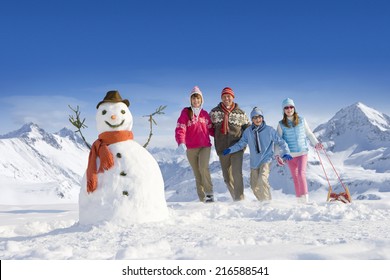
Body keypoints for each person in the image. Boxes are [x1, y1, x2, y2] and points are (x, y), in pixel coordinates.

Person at [222, 107, 292, 201]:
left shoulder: (269, 130)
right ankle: (262, 202)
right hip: (254, 162)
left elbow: (281, 142)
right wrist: (230, 150)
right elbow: (241, 144)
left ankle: (268, 203)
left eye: (259, 117)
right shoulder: (248, 132)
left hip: (266, 159)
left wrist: (287, 152)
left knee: (263, 179)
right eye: (255, 118)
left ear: (262, 118)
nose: (257, 119)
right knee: (254, 186)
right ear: (252, 119)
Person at [277, 98, 323, 203]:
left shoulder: (302, 120)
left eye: (291, 107)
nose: (289, 109)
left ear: (294, 108)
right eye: (286, 107)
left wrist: (316, 143)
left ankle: (305, 199)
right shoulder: (281, 124)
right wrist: (277, 155)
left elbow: (309, 133)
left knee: (301, 174)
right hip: (290, 155)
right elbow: (278, 141)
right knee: (295, 177)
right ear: (283, 110)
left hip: (302, 152)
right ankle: (299, 201)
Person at [209, 87, 250, 201]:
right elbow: (209, 128)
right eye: (224, 96)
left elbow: (248, 130)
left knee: (237, 174)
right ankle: (235, 198)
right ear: (221, 98)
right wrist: (218, 137)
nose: (226, 98)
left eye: (229, 96)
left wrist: (243, 144)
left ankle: (240, 200)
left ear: (233, 97)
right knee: (227, 178)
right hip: (222, 149)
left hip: (237, 148)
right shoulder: (214, 112)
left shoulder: (241, 114)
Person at [175, 86, 215, 203]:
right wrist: (181, 141)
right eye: (194, 98)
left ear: (201, 100)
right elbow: (180, 128)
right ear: (190, 100)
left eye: (198, 98)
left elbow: (211, 130)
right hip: (191, 148)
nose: (196, 101)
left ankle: (209, 195)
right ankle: (202, 199)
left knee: (203, 168)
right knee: (197, 174)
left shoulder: (205, 114)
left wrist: (222, 135)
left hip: (205, 147)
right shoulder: (186, 113)